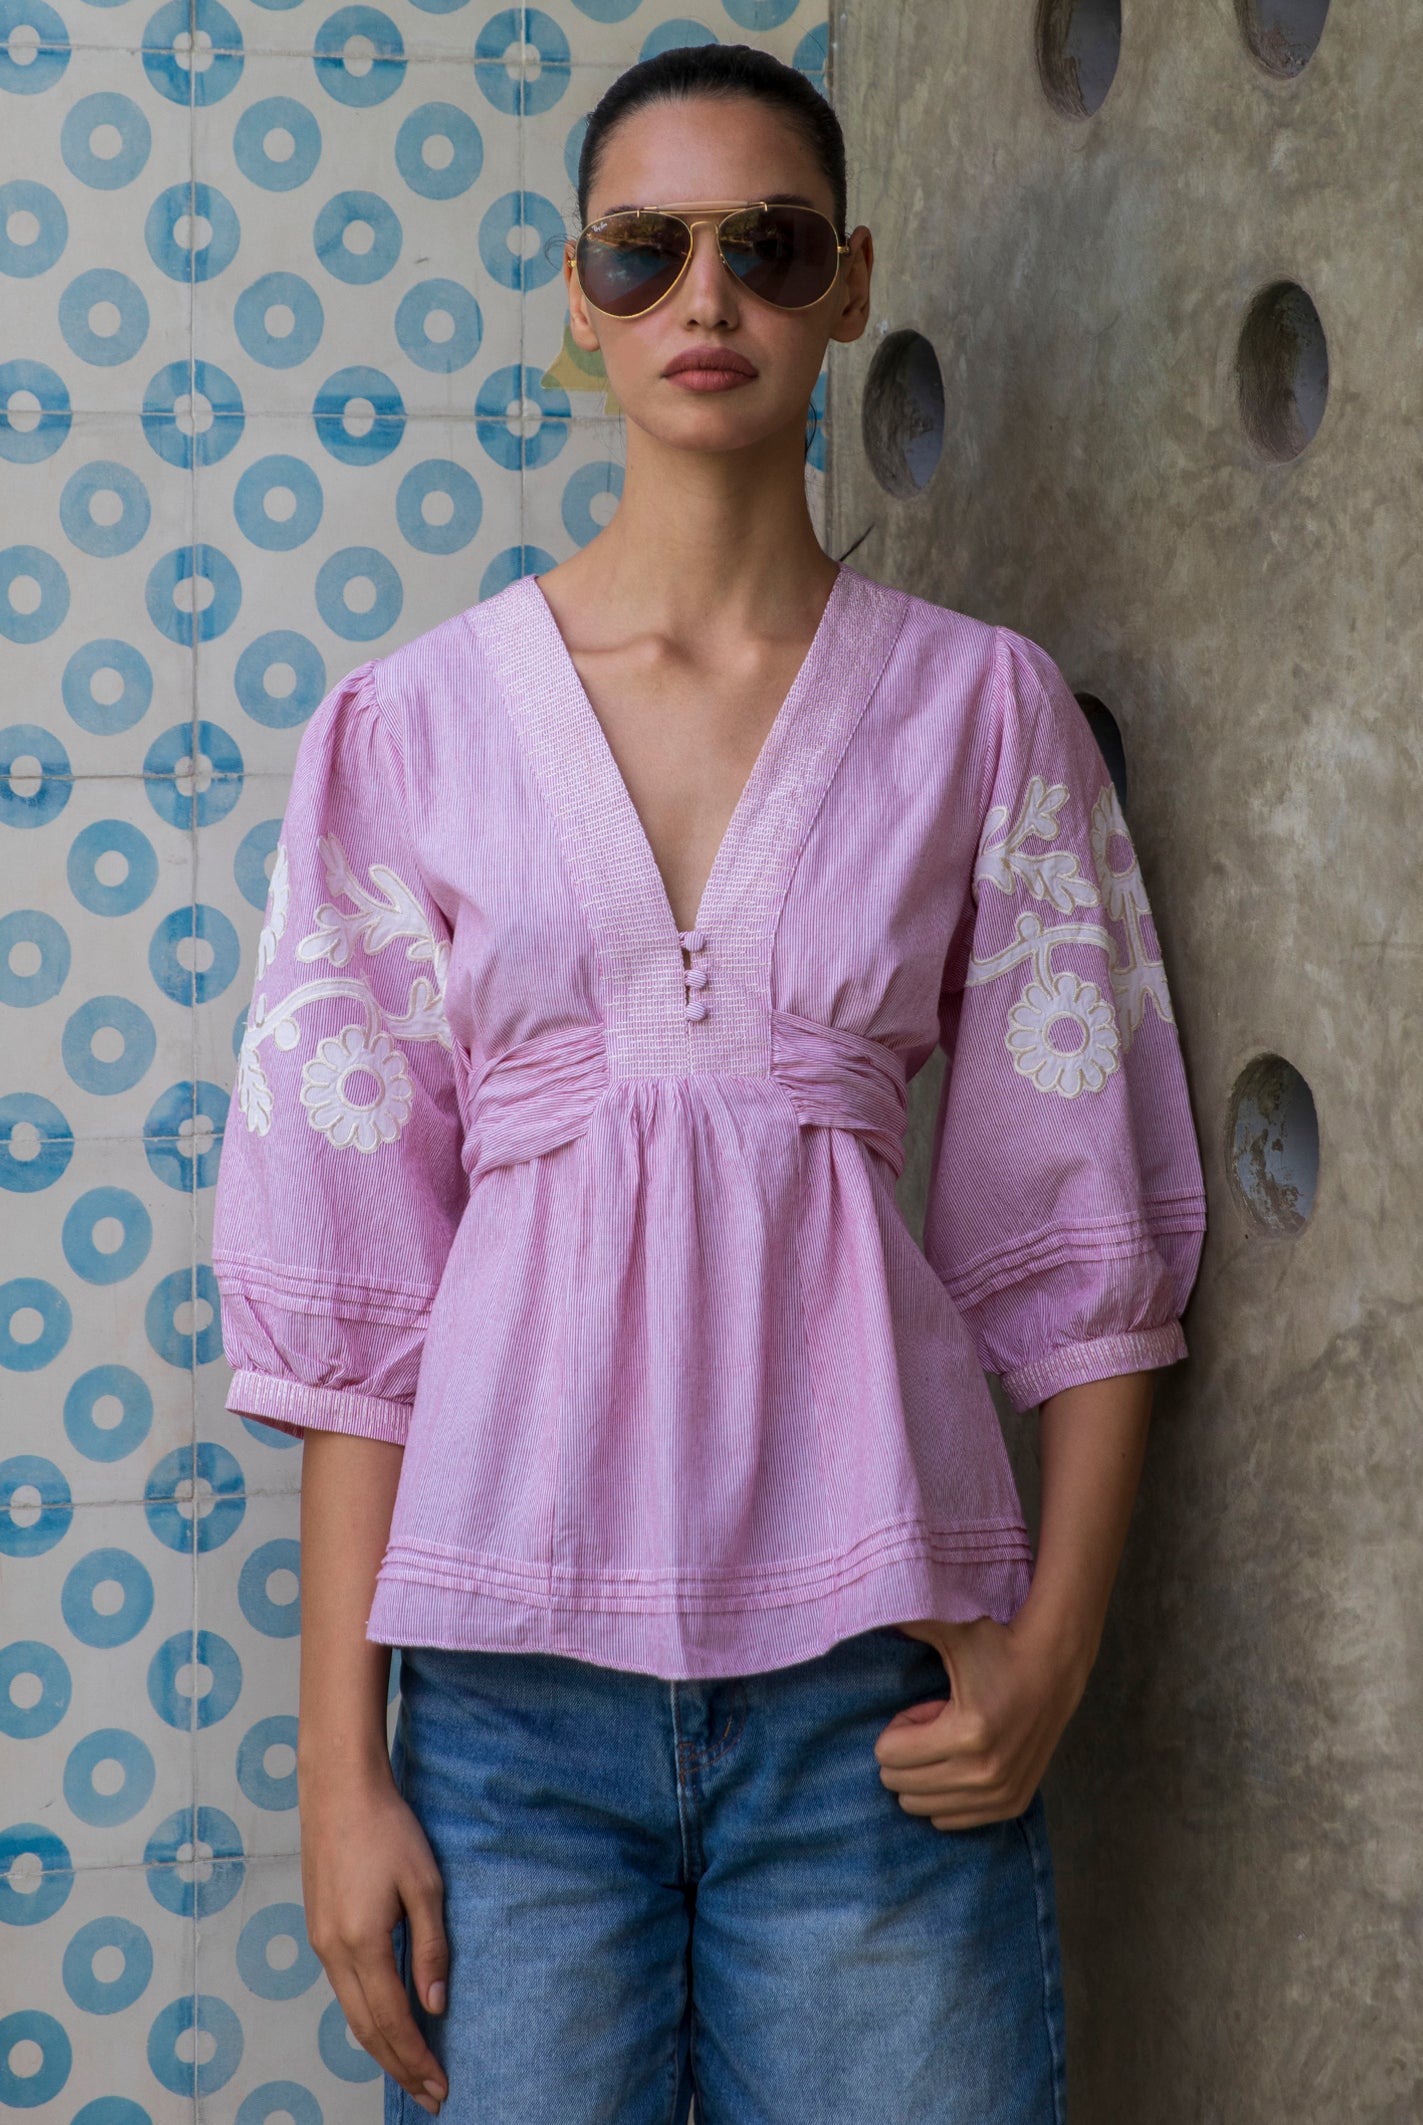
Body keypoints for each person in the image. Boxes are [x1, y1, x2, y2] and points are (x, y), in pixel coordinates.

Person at [211, 41, 1206, 2125]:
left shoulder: (980, 711)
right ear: (577, 298)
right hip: (505, 1724)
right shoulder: (407, 735)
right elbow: (352, 1306)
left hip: (880, 1704)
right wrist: (343, 1770)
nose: (704, 300)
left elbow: (1082, 1231)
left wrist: (1056, 1653)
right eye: (642, 251)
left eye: (763, 247)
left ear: (844, 284)